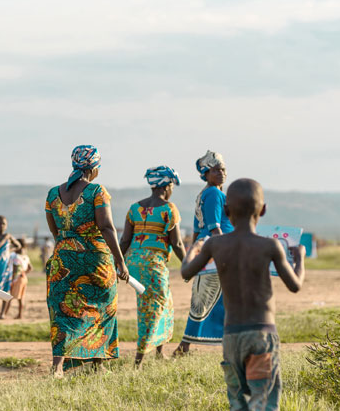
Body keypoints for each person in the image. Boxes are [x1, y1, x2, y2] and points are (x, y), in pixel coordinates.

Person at [181, 178, 305, 411]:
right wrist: (300, 258)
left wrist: (194, 249)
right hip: (261, 334)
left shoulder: (215, 245)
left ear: (227, 211)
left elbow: (186, 271)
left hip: (231, 337)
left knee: (237, 400)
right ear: (263, 210)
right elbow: (295, 285)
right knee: (263, 400)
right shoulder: (270, 246)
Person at [44, 145, 129, 378]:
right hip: (96, 261)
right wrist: (120, 261)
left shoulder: (52, 194)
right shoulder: (97, 191)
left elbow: (55, 231)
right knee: (102, 308)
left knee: (63, 313)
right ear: (93, 168)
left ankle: (58, 367)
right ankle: (97, 364)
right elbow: (106, 226)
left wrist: (68, 247)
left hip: (63, 260)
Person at [119, 166, 186, 366]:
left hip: (133, 262)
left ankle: (158, 352)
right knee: (156, 306)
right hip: (153, 263)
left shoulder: (134, 208)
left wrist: (119, 263)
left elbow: (124, 240)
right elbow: (177, 243)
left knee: (155, 303)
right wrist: (189, 265)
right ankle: (138, 360)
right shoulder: (168, 209)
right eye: (172, 185)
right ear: (167, 186)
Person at [174, 150, 234, 356]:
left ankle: (186, 346)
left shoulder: (205, 194)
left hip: (206, 249)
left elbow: (197, 231)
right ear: (206, 174)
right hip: (217, 249)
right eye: (215, 170)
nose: (221, 173)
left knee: (209, 298)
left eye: (223, 169)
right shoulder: (214, 194)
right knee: (206, 300)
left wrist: (194, 255)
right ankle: (184, 347)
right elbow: (214, 227)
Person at [5, 238, 32, 319]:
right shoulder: (25, 256)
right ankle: (20, 314)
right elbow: (30, 268)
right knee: (21, 298)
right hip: (24, 278)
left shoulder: (14, 256)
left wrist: (12, 280)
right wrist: (24, 273)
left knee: (9, 297)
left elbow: (15, 269)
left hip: (17, 279)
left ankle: (4, 313)